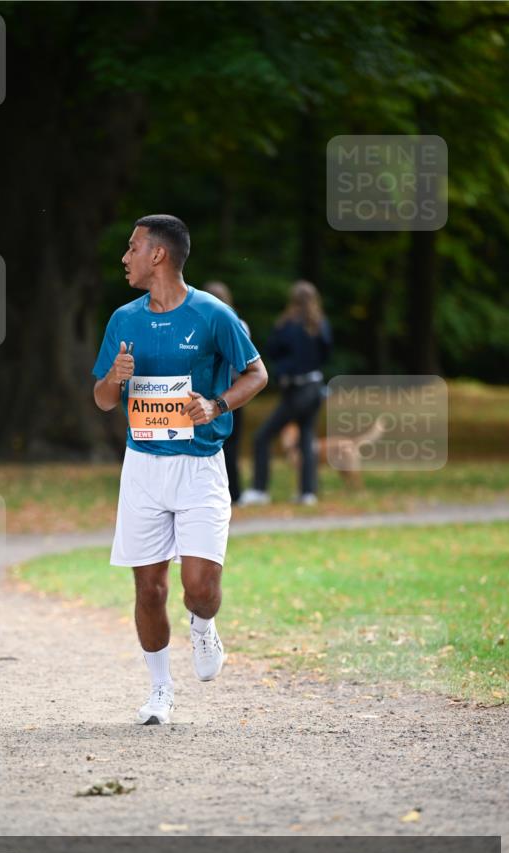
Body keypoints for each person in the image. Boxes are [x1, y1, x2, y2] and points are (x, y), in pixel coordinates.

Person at [93, 215, 267, 724]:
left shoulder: (214, 315)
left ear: (158, 256)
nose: (124, 258)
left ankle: (203, 625)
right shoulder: (123, 320)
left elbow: (256, 373)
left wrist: (215, 405)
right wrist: (113, 377)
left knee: (200, 588)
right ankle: (160, 690)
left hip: (199, 467)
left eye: (132, 248)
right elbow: (103, 400)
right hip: (143, 468)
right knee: (149, 588)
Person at [240, 280, 332, 506]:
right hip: (315, 387)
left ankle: (260, 489)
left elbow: (272, 350)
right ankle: (308, 492)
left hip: (295, 389)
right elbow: (326, 353)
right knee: (307, 437)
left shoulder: (287, 324)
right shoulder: (321, 325)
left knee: (262, 437)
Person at [203, 281, 250, 504]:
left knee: (219, 443)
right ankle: (234, 492)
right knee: (231, 443)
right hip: (234, 389)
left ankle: (228, 492)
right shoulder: (240, 324)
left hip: (220, 390)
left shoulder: (206, 324)